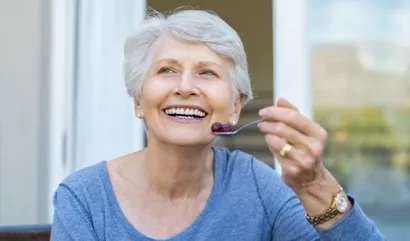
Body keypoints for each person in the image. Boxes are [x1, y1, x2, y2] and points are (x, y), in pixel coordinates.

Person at [50, 9, 386, 241]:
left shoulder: (257, 186)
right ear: (138, 100)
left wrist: (315, 185)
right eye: (166, 70)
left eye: (206, 72)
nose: (185, 86)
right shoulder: (84, 198)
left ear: (236, 107)